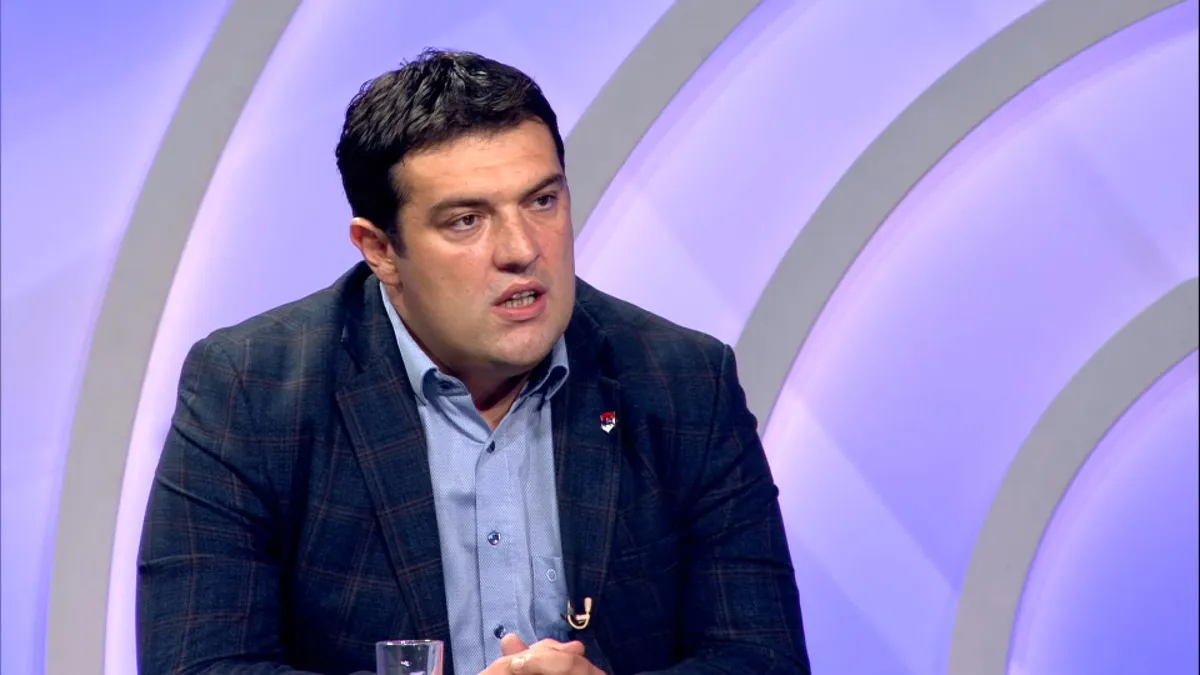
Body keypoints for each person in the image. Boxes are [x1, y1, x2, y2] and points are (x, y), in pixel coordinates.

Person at [137, 48, 810, 675]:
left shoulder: (682, 381)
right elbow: (198, 663)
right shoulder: (253, 388)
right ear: (379, 250)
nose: (521, 249)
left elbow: (762, 656)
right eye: (466, 220)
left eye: (542, 200)